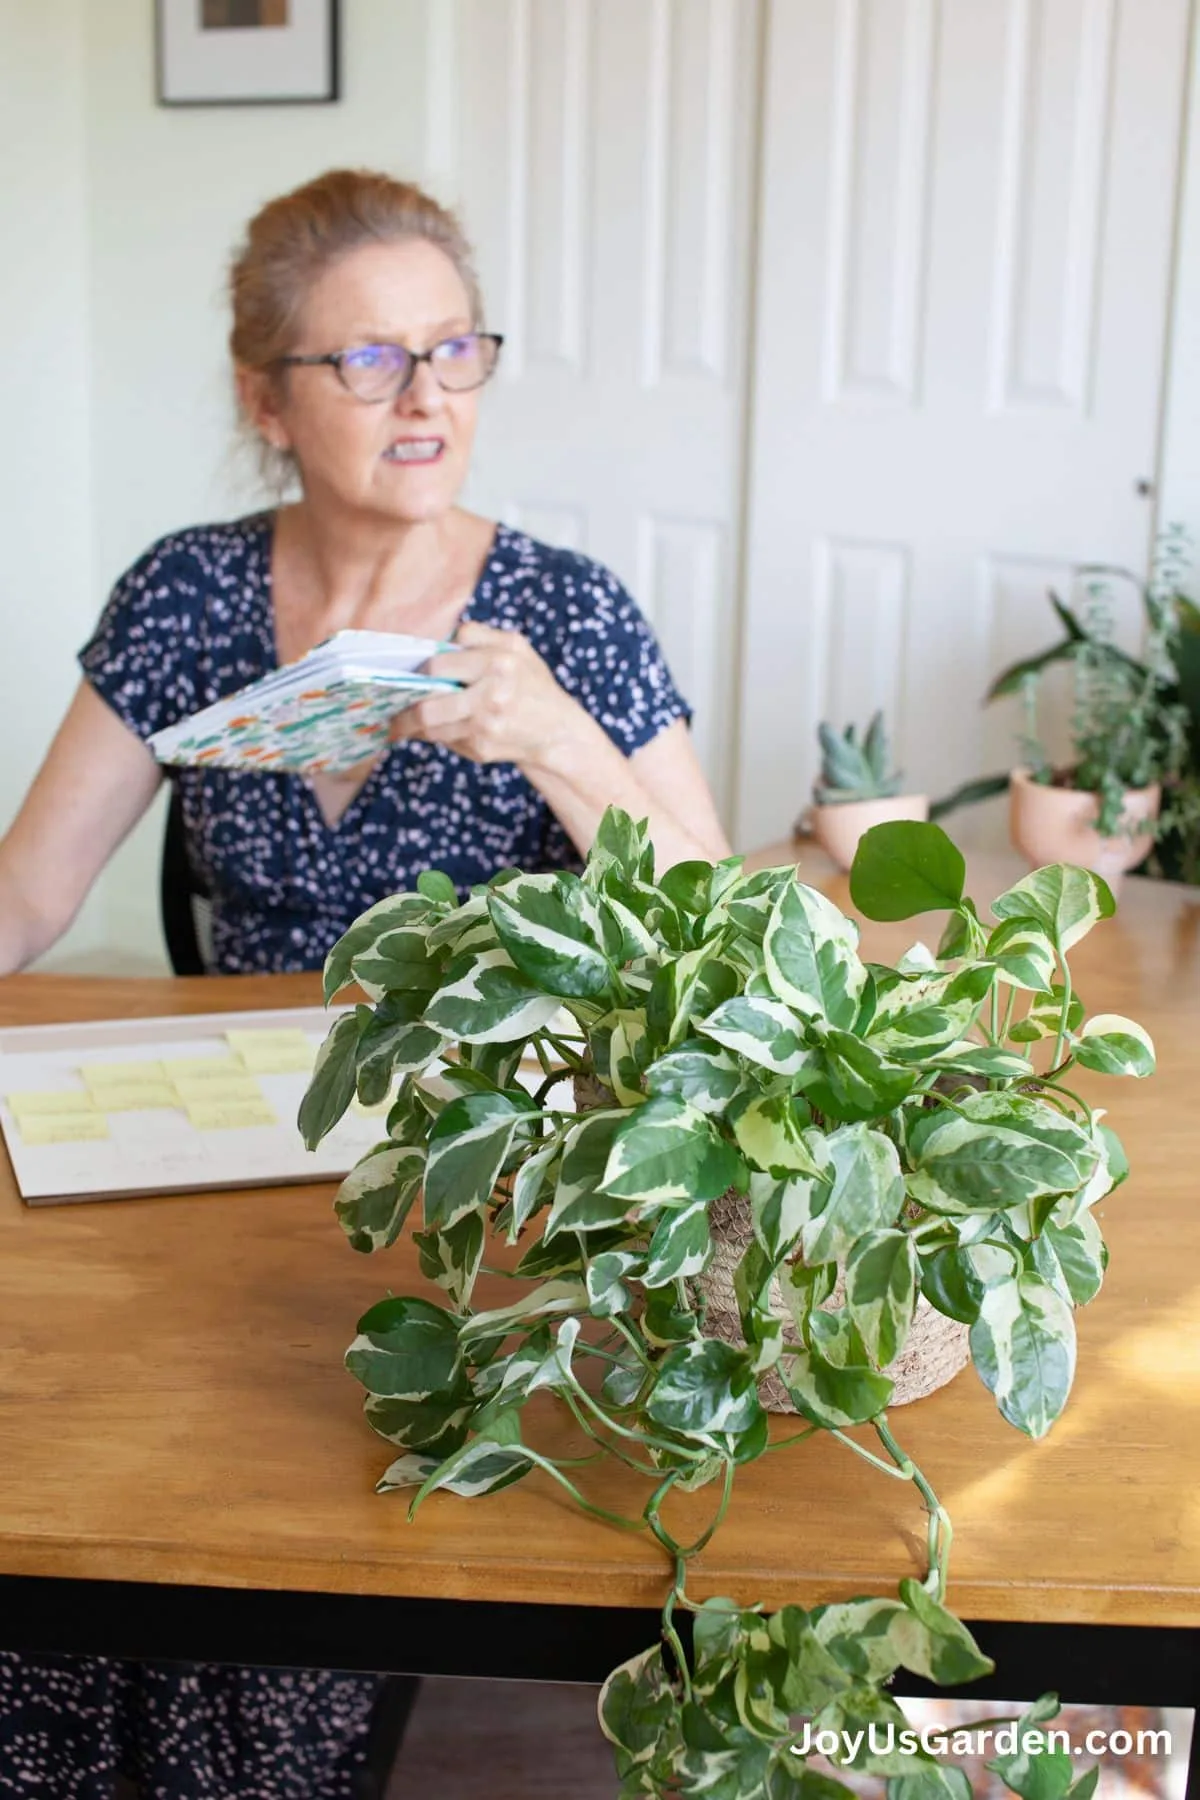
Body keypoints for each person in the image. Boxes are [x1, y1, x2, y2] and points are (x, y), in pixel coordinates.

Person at [0, 168, 729, 1797]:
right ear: (266, 398)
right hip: (213, 1155)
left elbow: (731, 932)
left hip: (475, 1180)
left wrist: (554, 739)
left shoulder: (563, 614)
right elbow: (29, 892)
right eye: (370, 361)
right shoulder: (188, 594)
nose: (427, 398)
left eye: (454, 350)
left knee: (237, 1643)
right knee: (63, 1524)